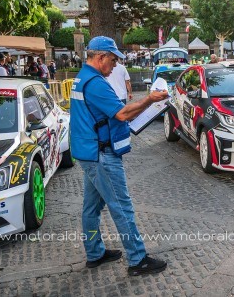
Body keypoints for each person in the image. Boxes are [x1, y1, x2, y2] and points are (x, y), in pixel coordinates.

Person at [69, 36, 168, 275]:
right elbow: (122, 114)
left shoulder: (81, 78)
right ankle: (137, 259)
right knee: (121, 206)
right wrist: (150, 100)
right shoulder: (95, 83)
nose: (114, 65)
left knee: (91, 208)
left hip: (89, 152)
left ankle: (95, 253)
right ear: (100, 57)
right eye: (113, 60)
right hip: (101, 154)